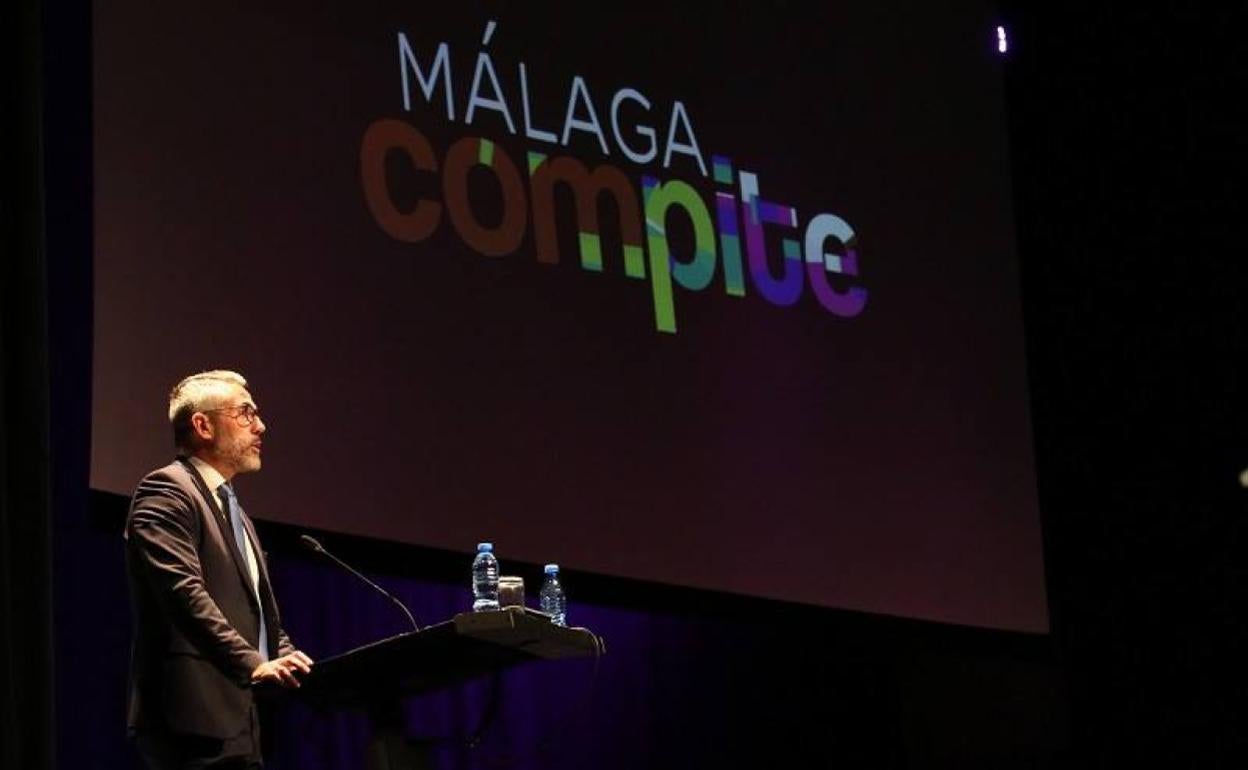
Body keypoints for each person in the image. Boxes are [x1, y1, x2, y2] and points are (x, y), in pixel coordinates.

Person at [125, 370, 313, 769]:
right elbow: (185, 596)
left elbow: (256, 613)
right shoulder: (166, 492)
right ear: (202, 425)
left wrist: (288, 655)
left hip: (244, 720)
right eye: (245, 413)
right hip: (192, 720)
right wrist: (255, 664)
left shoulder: (235, 511)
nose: (260, 425)